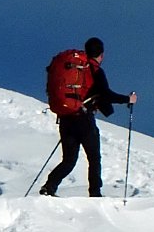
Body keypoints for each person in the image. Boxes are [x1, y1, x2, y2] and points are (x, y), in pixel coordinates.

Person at [39, 37, 137, 198]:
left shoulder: (79, 69)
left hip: (66, 118)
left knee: (69, 160)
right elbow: (106, 94)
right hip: (83, 118)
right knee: (93, 157)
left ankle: (49, 187)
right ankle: (95, 193)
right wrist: (128, 99)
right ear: (102, 54)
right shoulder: (95, 70)